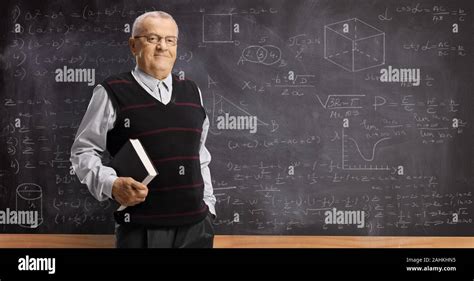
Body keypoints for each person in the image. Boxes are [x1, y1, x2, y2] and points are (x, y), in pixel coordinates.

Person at [70, 11, 216, 248]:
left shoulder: (193, 92)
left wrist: (209, 206)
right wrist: (111, 185)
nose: (162, 47)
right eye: (152, 39)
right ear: (133, 45)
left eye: (170, 40)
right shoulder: (111, 91)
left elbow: (200, 157)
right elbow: (83, 152)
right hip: (141, 229)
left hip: (197, 227)